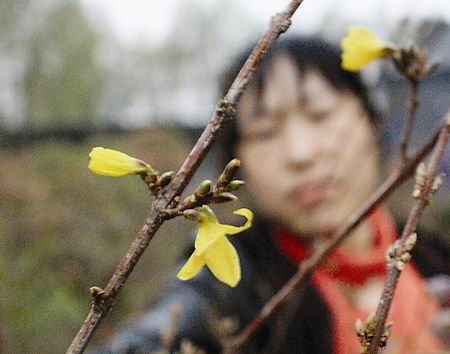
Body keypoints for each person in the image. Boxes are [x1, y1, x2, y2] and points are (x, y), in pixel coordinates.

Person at [90, 36, 449, 354]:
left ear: (373, 125)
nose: (300, 153)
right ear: (238, 160)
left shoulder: (434, 256)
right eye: (265, 131)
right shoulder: (233, 290)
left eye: (320, 114)